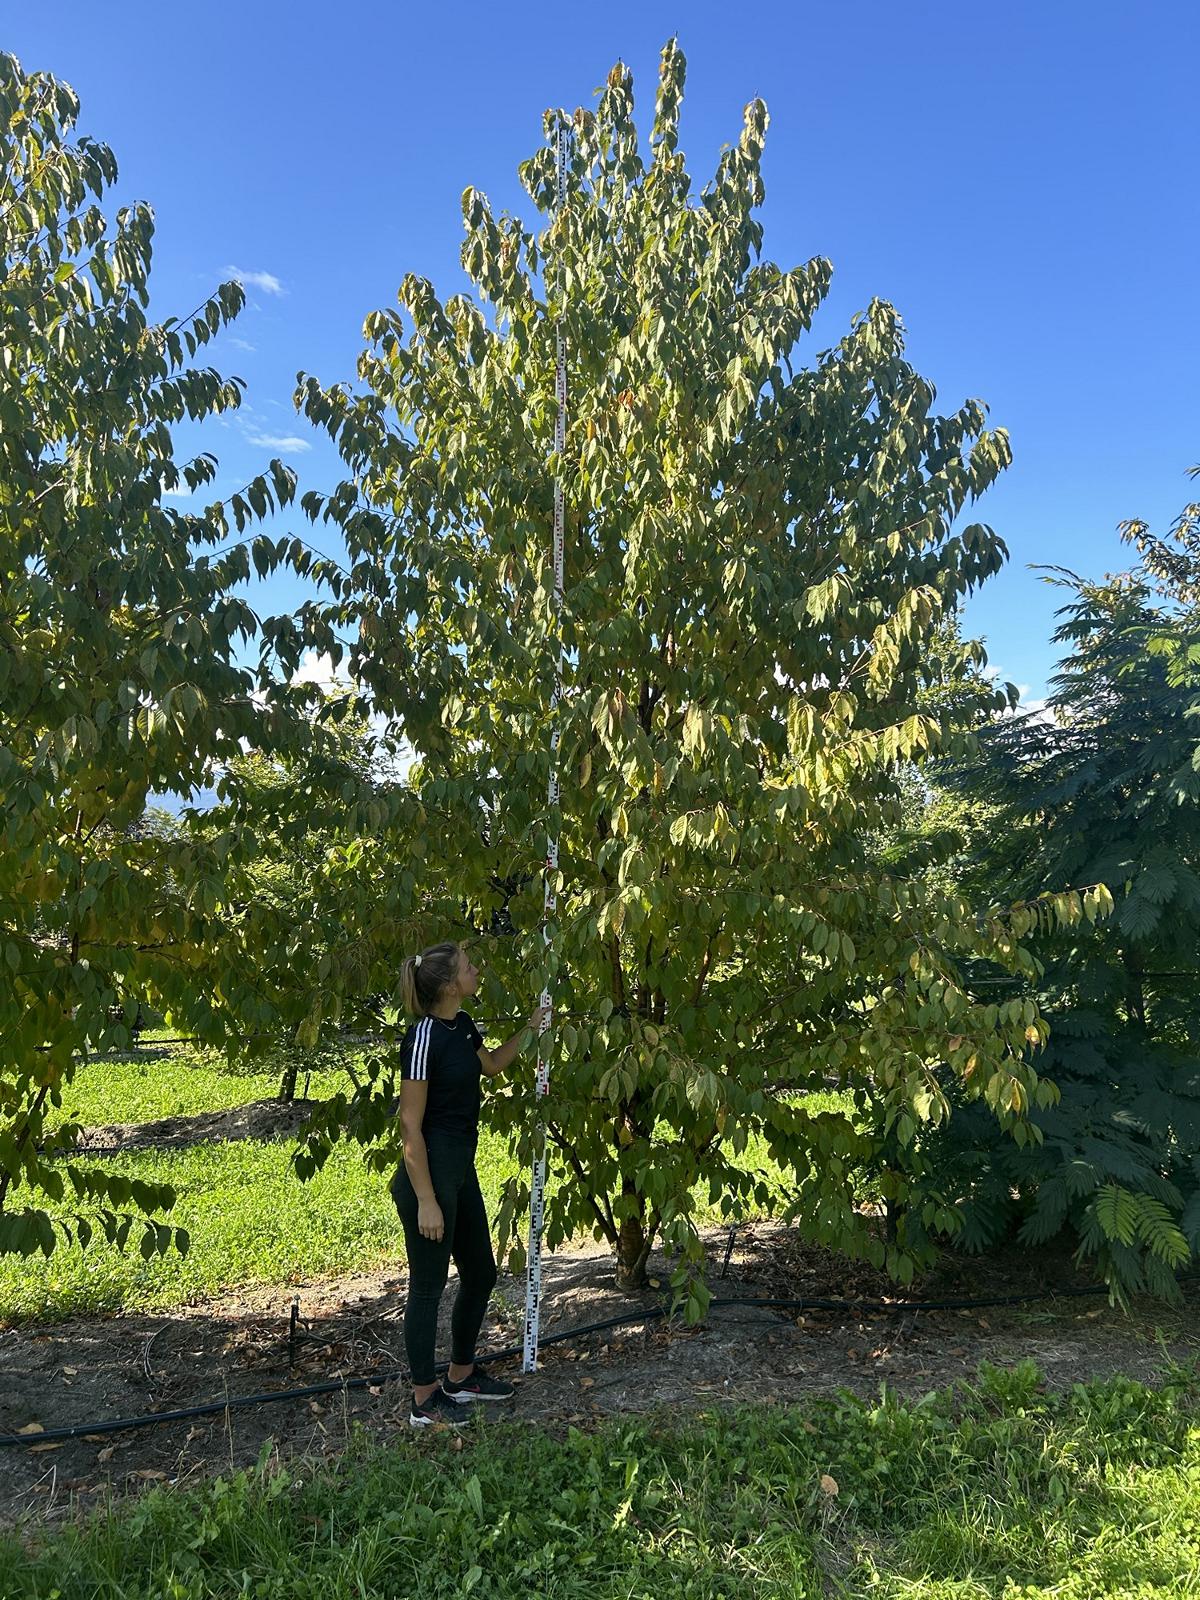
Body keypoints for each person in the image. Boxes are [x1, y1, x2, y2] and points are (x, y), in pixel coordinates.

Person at [393, 940, 548, 1428]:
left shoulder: (462, 1026)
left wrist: (530, 1029)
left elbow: (493, 1065)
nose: (477, 970)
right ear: (448, 983)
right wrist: (426, 1200)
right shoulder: (422, 1038)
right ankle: (424, 1399)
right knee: (428, 1286)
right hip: (430, 1176)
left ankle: (461, 1376)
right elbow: (408, 1125)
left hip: (460, 1170)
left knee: (480, 1272)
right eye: (468, 967)